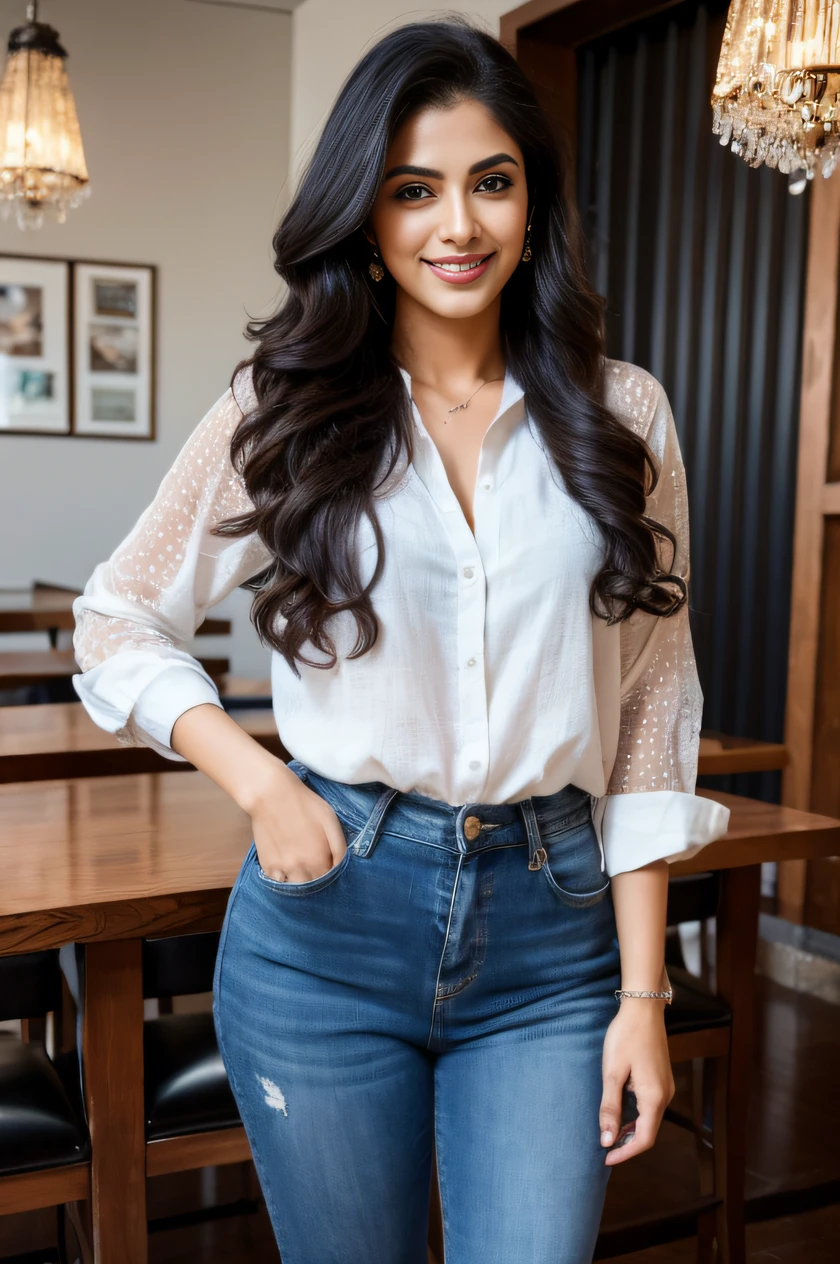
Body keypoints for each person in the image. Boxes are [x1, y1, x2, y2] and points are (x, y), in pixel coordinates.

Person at [72, 16, 730, 1264]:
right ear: (366, 221)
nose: (457, 226)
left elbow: (652, 706)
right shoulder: (287, 407)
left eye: (491, 182)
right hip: (327, 929)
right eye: (412, 191)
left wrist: (645, 996)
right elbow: (118, 617)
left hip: (554, 939)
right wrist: (255, 776)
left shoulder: (623, 413)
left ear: (533, 200)